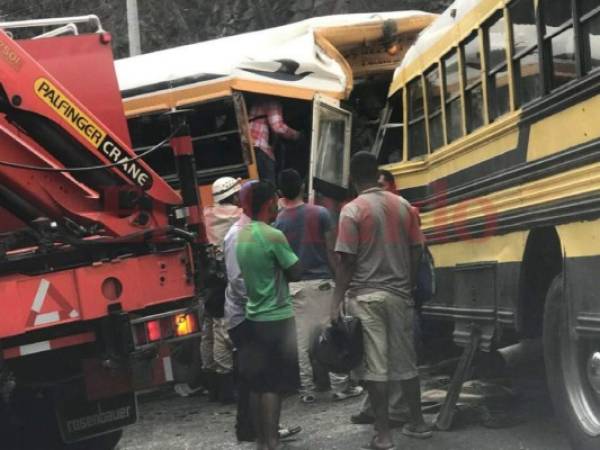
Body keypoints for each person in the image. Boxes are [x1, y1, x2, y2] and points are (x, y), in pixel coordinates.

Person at [331, 152, 432, 449]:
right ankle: (418, 423)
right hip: (400, 295)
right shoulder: (404, 206)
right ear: (377, 174)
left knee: (376, 367)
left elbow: (346, 261)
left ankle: (384, 434)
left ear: (352, 178)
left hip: (365, 296)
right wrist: (409, 282)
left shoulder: (351, 210)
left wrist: (335, 300)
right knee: (406, 362)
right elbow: (417, 250)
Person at [274, 168, 363, 403]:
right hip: (323, 284)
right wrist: (341, 282)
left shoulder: (278, 223)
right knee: (333, 334)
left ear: (281, 192)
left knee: (301, 342)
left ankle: (307, 391)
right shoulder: (321, 214)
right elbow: (333, 252)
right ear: (303, 186)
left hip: (296, 288)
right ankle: (340, 386)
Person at [236, 181, 302, 450]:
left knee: (256, 384)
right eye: (275, 202)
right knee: (273, 385)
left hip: (252, 317)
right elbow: (295, 271)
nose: (278, 206)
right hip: (276, 317)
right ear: (267, 205)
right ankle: (273, 440)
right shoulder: (272, 235)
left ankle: (261, 441)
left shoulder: (242, 235)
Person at [177, 177, 242, 401]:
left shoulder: (205, 214)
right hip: (227, 279)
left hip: (208, 280)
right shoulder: (239, 216)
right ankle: (226, 386)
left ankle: (211, 381)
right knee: (223, 332)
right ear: (233, 195)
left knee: (210, 332)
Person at [249, 98, 300, 184]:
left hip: (252, 146)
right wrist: (297, 135)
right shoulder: (272, 102)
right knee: (269, 185)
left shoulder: (257, 102)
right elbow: (278, 127)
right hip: (260, 148)